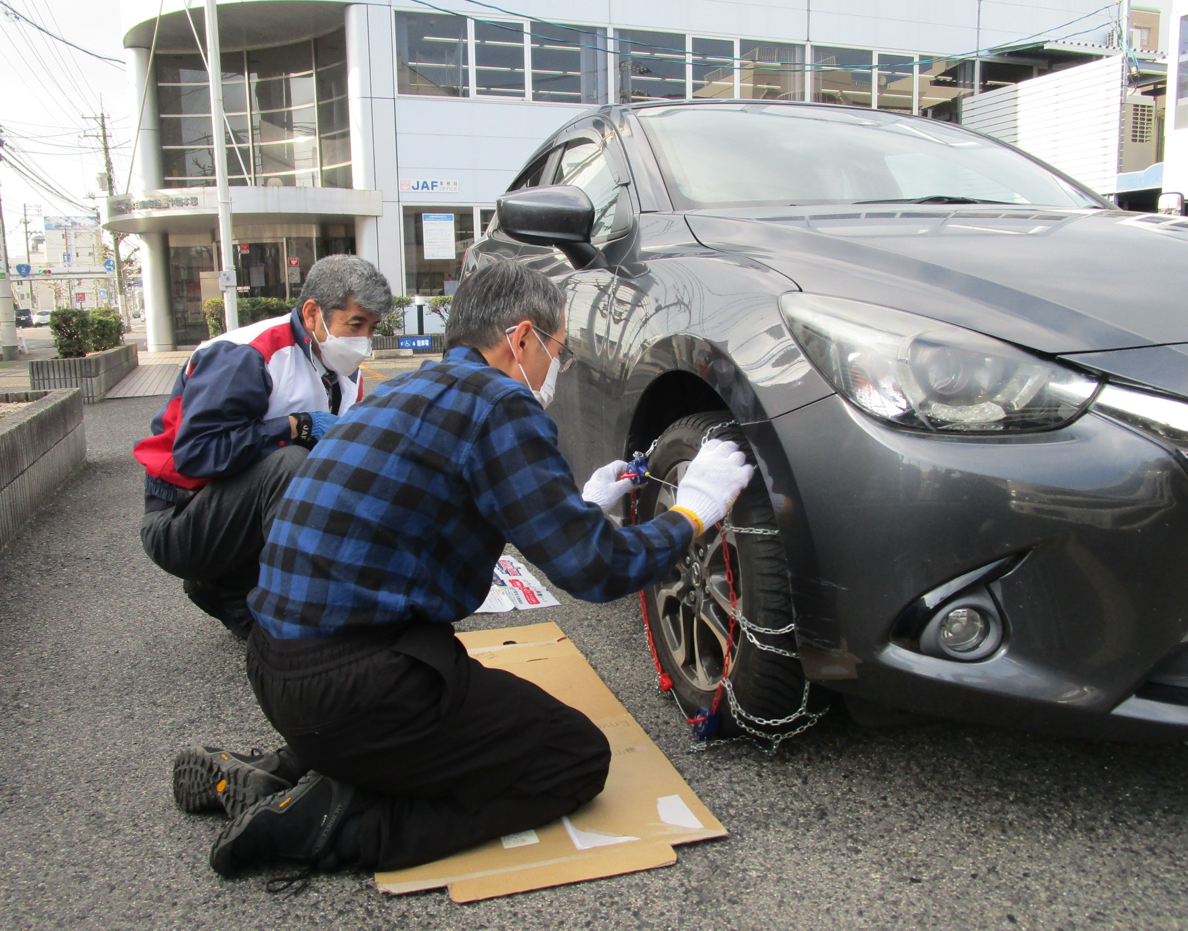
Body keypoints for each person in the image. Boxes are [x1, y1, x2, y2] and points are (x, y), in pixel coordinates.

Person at [175, 260, 754, 878]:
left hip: (278, 668)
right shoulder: (500, 402)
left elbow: (435, 516)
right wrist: (694, 510)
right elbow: (595, 572)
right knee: (572, 758)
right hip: (357, 691)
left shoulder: (403, 391)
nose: (558, 368)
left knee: (450, 717)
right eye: (559, 350)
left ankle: (282, 774)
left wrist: (579, 507)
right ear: (523, 337)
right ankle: (323, 824)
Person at [134, 255, 391, 646]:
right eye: (355, 324)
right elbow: (198, 453)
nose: (363, 341)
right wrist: (295, 426)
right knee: (291, 464)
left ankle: (235, 588)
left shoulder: (344, 372)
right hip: (181, 518)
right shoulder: (245, 355)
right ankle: (293, 613)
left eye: (372, 328)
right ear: (311, 313)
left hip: (234, 522)